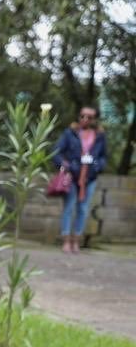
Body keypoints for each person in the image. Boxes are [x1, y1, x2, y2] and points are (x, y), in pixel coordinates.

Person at [53, 106, 107, 253]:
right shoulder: (70, 133)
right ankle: (66, 240)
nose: (85, 119)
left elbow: (103, 157)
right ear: (79, 116)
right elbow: (56, 152)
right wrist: (66, 166)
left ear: (94, 119)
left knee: (83, 209)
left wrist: (97, 167)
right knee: (69, 207)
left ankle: (76, 241)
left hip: (89, 177)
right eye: (82, 116)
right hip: (72, 176)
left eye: (89, 117)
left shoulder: (100, 136)